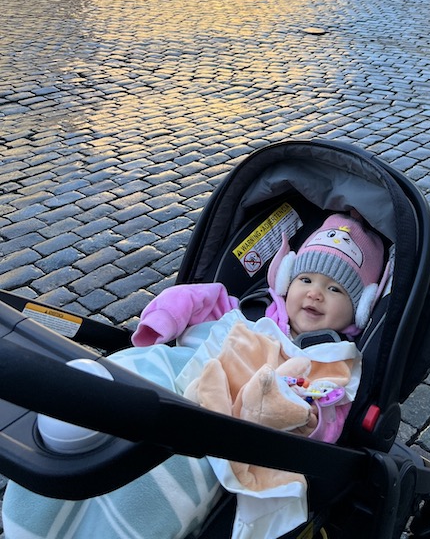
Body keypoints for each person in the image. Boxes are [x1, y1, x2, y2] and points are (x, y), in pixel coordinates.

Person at [2, 214, 386, 539]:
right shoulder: (253, 307)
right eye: (306, 280)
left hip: (218, 428)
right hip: (172, 374)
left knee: (160, 468)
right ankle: (39, 510)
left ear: (361, 307)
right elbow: (200, 298)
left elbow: (329, 422)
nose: (315, 294)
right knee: (105, 395)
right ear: (286, 278)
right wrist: (164, 319)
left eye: (334, 288)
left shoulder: (332, 359)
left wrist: (304, 417)